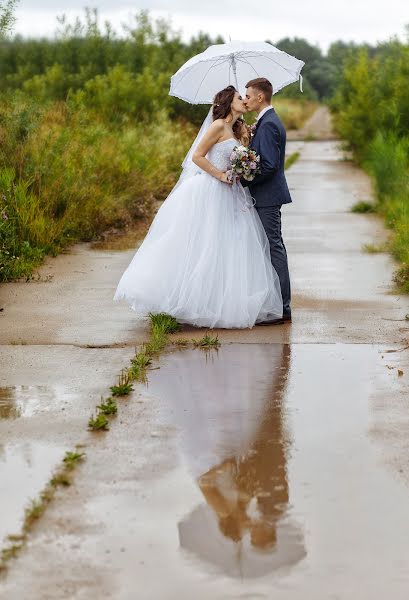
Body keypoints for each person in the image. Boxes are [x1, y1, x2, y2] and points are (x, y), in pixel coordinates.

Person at [113, 85, 283, 329]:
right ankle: (187, 299)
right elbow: (197, 156)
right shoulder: (216, 126)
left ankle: (219, 301)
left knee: (228, 247)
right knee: (204, 245)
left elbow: (240, 158)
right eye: (239, 97)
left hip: (232, 194)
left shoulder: (237, 129)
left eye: (244, 97)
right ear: (228, 102)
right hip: (211, 190)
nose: (243, 101)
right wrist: (219, 175)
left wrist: (243, 150)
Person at [242, 78, 292, 324]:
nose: (246, 99)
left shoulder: (270, 124)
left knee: (273, 248)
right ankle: (274, 303)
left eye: (248, 95)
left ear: (260, 97)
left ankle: (283, 307)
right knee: (268, 248)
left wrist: (244, 181)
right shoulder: (264, 123)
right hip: (264, 196)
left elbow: (270, 166)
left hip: (267, 196)